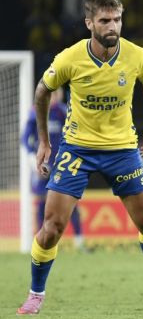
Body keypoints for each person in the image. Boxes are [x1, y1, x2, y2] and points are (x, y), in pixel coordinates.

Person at [17, 0, 143, 315]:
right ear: (89, 23)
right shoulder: (70, 58)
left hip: (122, 150)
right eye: (104, 21)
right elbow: (42, 92)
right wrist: (44, 141)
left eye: (116, 20)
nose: (112, 27)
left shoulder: (136, 55)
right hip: (77, 149)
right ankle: (35, 293)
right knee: (52, 226)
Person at [21, 87, 85, 251]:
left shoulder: (63, 112)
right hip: (42, 166)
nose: (54, 97)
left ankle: (79, 242)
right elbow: (25, 138)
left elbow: (75, 136)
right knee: (42, 202)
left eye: (56, 94)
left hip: (62, 165)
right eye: (51, 94)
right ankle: (40, 242)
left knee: (72, 202)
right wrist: (31, 160)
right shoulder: (35, 112)